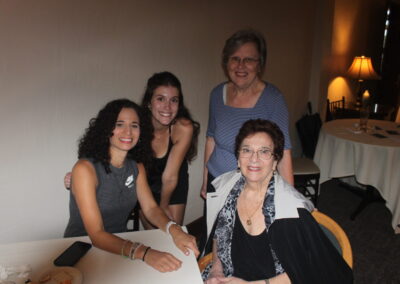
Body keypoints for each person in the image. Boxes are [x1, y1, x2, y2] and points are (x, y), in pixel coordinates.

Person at [202, 119, 353, 283]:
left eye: (264, 151)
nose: (254, 158)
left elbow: (307, 270)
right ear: (238, 158)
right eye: (247, 150)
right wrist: (217, 269)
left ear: (275, 161)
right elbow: (219, 235)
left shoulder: (291, 212)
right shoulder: (226, 190)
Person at [64, 99, 199, 272]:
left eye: (134, 125)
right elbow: (96, 235)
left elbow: (151, 209)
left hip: (121, 246)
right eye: (119, 124)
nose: (128, 131)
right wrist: (144, 253)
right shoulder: (85, 169)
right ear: (106, 129)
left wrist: (175, 230)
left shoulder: (137, 167)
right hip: (83, 248)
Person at [201, 29, 293, 202]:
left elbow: (284, 153)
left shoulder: (273, 99)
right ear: (226, 63)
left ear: (260, 64)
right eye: (235, 58)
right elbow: (211, 139)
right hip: (218, 181)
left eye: (249, 59)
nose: (240, 65)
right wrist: (206, 180)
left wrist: (291, 200)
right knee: (214, 229)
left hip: (253, 187)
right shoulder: (216, 95)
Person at [139, 71, 200, 228]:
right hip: (146, 184)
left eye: (174, 100)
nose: (167, 107)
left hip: (174, 182)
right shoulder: (136, 126)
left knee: (172, 232)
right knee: (154, 234)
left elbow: (170, 176)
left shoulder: (183, 128)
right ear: (149, 102)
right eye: (160, 99)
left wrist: (163, 206)